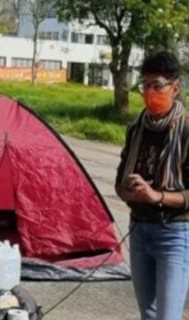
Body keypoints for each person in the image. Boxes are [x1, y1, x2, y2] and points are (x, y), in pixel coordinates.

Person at [115, 51, 189, 320]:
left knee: (167, 316)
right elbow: (119, 181)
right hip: (139, 229)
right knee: (149, 313)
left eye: (157, 86)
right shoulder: (136, 129)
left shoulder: (185, 130)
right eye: (144, 85)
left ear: (175, 87)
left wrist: (155, 196)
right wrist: (130, 191)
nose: (149, 92)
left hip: (174, 233)